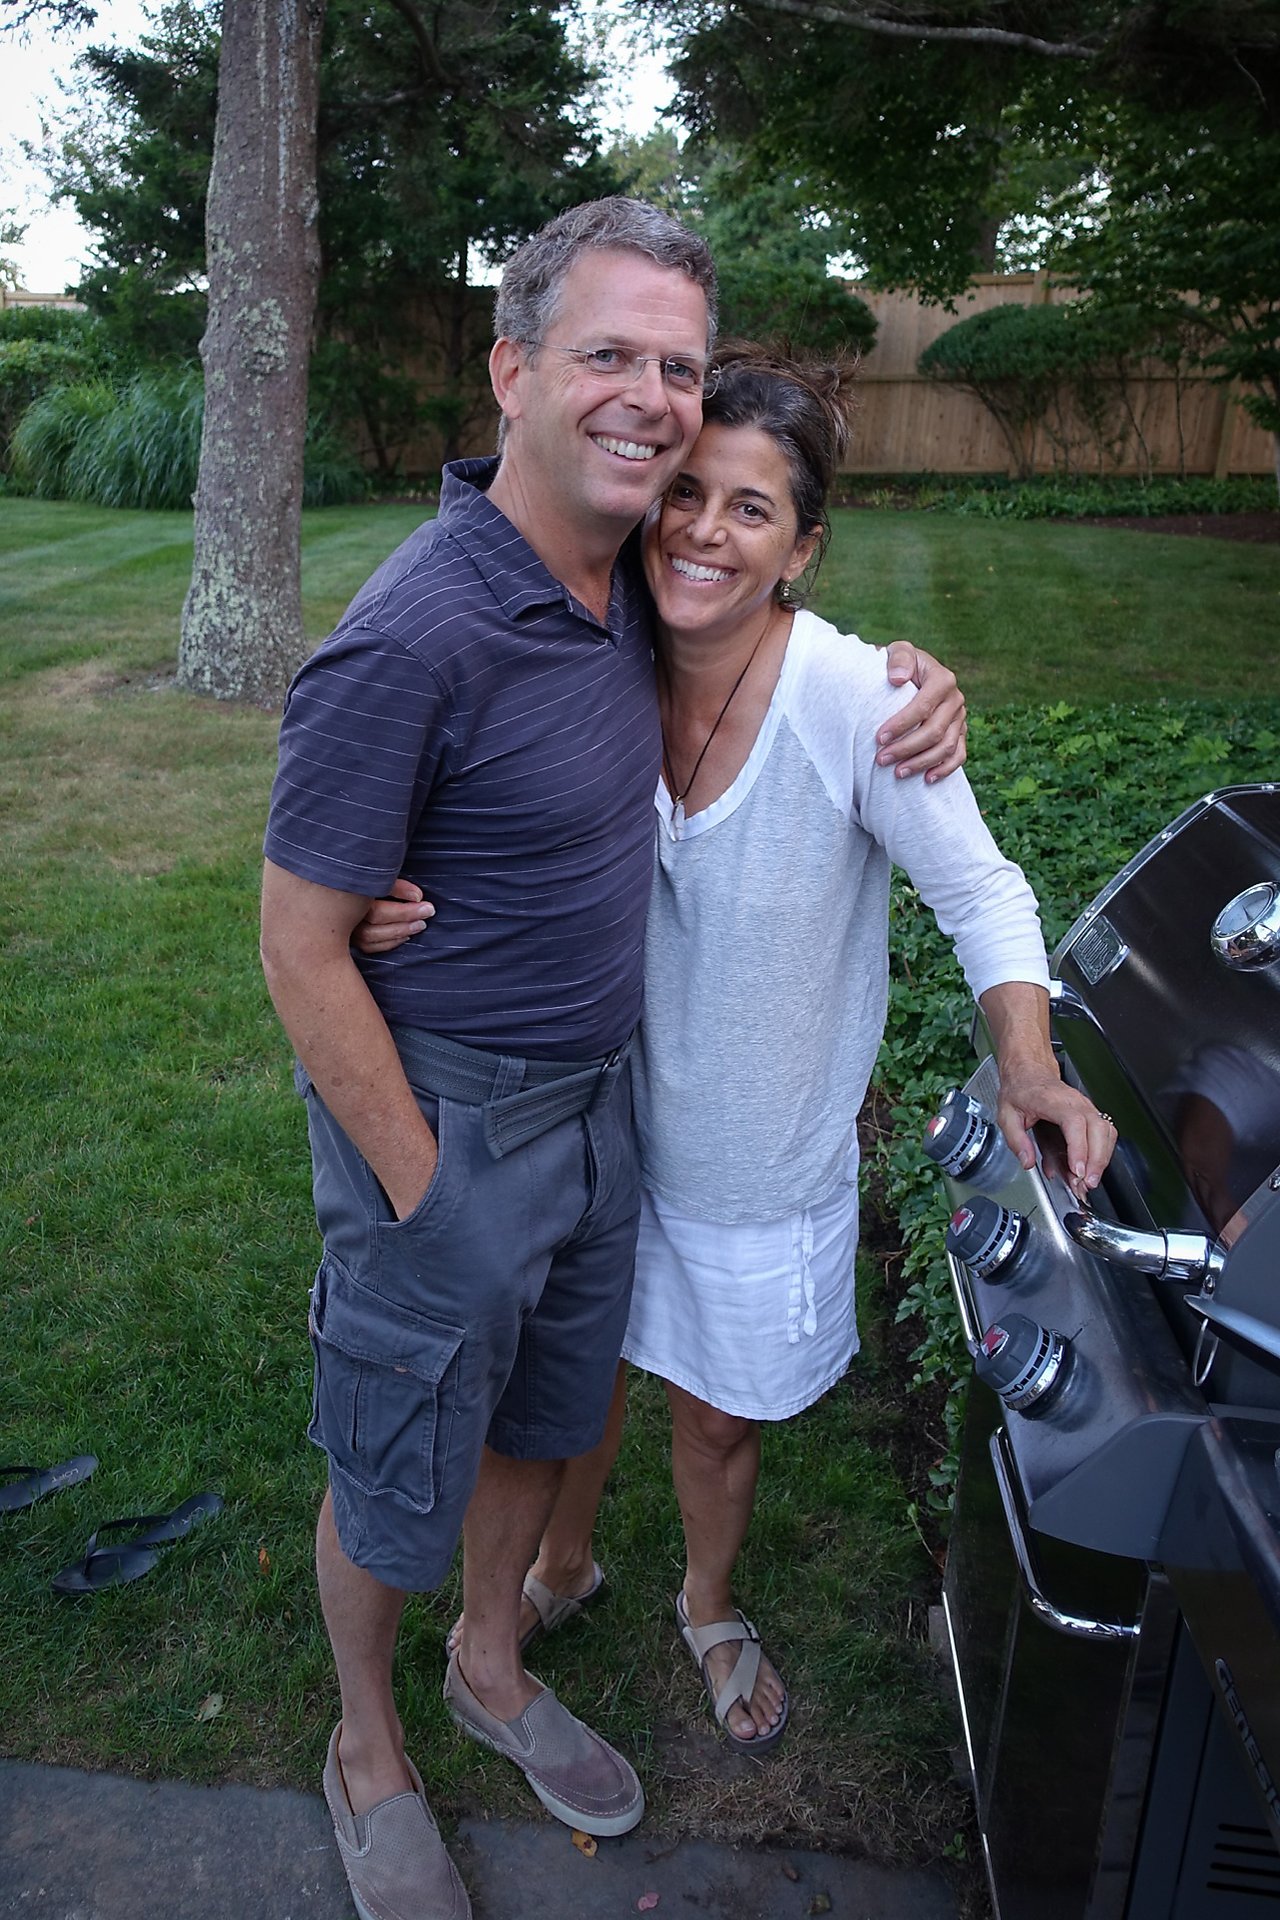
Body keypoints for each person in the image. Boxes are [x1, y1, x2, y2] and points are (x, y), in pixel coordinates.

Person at [260, 202, 967, 1920]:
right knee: (395, 1457)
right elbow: (297, 945)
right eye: (609, 355)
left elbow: (769, 625)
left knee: (540, 1427)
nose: (652, 398)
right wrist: (428, 1192)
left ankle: (492, 1667)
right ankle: (369, 1749)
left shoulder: (632, 579)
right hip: (448, 1119)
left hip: (605, 1111)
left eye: (674, 362)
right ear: (511, 370)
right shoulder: (413, 633)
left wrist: (916, 683)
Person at [360, 345, 1115, 1758]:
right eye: (687, 494)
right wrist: (397, 895)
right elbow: (479, 808)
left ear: (803, 547)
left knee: (714, 1425)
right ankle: (564, 1566)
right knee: (573, 1389)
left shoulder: (854, 702)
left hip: (756, 1157)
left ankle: (708, 1605)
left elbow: (983, 893)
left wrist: (1029, 1066)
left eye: (751, 509)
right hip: (593, 1123)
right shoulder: (599, 653)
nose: (705, 530)